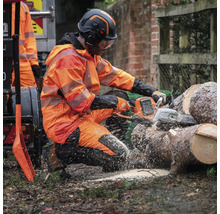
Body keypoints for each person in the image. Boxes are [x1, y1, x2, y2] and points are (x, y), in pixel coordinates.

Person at [41, 9, 166, 175]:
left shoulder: (88, 55)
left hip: (81, 115)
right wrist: (113, 102)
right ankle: (57, 152)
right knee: (119, 153)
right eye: (104, 43)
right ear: (92, 38)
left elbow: (117, 76)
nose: (106, 47)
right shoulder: (68, 59)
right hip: (64, 123)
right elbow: (79, 100)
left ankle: (115, 146)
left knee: (120, 98)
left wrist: (151, 92)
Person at [11, 1, 41, 87]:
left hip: (21, 63)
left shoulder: (23, 8)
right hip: (4, 62)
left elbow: (29, 38)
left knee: (32, 95)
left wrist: (33, 63)